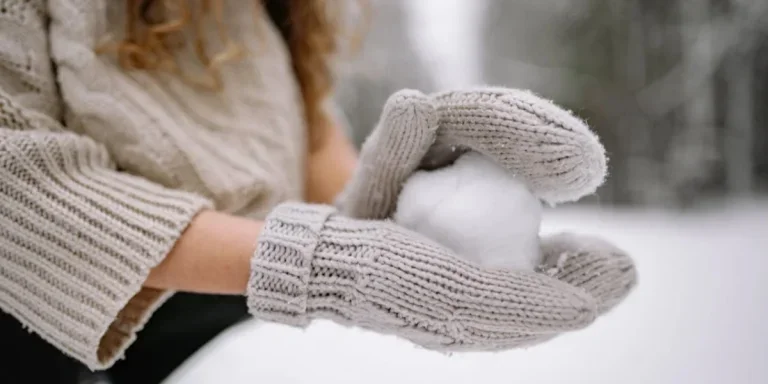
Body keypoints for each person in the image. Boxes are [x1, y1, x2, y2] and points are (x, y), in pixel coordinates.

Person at [0, 1, 637, 383]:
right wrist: (324, 265)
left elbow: (316, 152)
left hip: (223, 334)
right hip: (44, 335)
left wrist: (396, 195)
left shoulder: (275, 14)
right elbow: (17, 179)